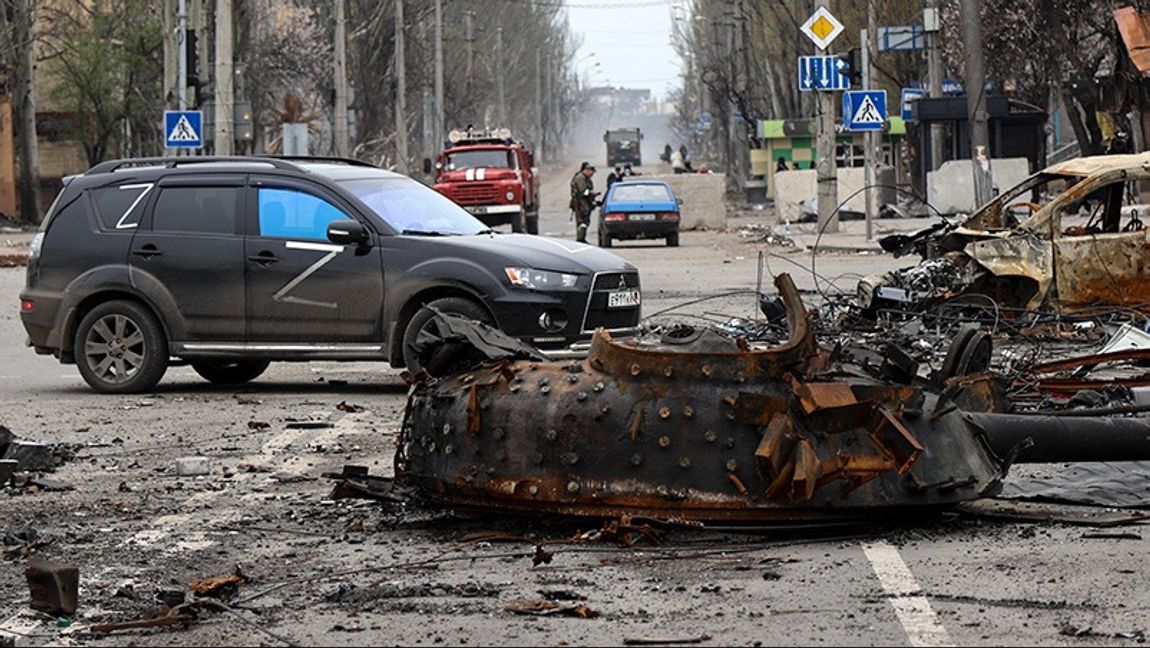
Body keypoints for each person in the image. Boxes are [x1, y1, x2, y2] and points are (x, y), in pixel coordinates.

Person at [570, 163, 598, 243]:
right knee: (582, 222)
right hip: (581, 203)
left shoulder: (586, 179)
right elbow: (583, 192)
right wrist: (592, 193)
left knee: (585, 222)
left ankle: (582, 238)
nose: (592, 174)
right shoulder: (580, 178)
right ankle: (580, 239)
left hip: (585, 203)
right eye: (591, 172)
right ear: (586, 170)